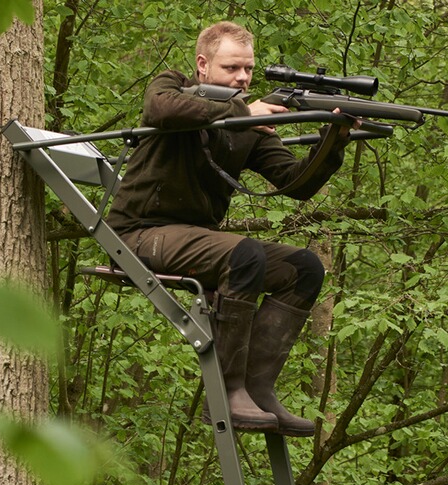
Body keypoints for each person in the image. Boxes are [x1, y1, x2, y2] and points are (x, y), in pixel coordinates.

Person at [107, 21, 354, 436]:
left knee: (305, 268)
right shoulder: (174, 85)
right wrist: (243, 110)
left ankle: (257, 389)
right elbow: (160, 110)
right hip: (139, 233)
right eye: (231, 68)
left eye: (248, 70)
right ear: (203, 66)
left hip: (195, 239)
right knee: (244, 253)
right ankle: (228, 390)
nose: (242, 78)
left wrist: (334, 139)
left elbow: (296, 184)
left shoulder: (247, 128)